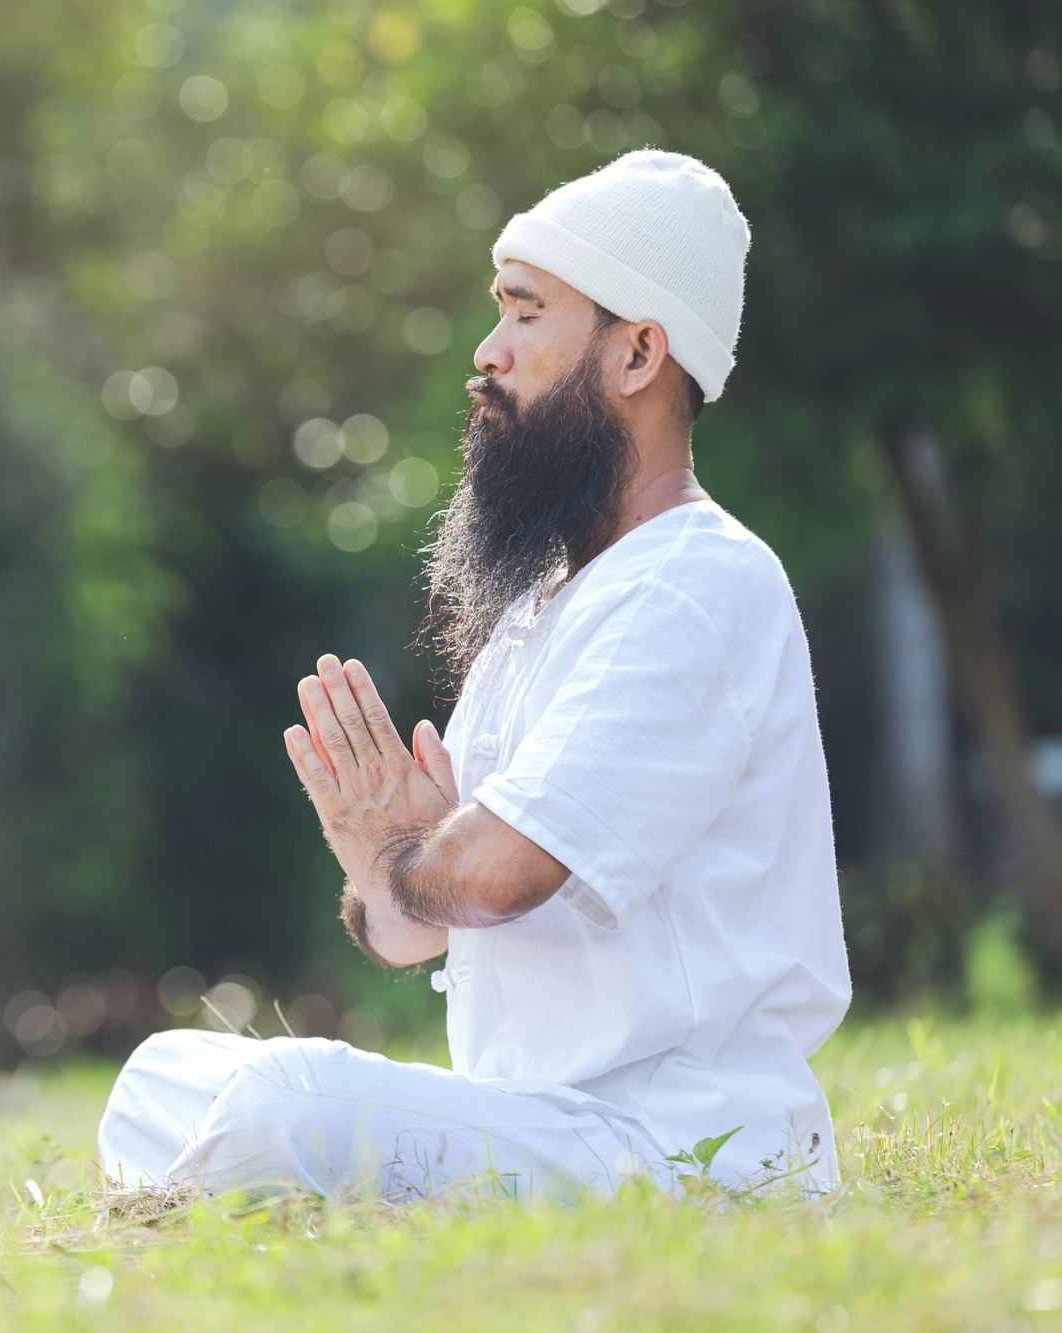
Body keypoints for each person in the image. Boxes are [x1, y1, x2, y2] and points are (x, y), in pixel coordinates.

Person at [98, 151, 850, 1201]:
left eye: (524, 314)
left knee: (281, 1102)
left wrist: (404, 859)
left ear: (636, 352)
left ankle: (202, 1208)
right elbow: (413, 924)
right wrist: (382, 861)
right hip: (535, 1121)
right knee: (163, 1073)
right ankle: (227, 1196)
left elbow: (490, 876)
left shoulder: (693, 583)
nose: (484, 353)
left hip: (678, 1145)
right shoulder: (544, 603)